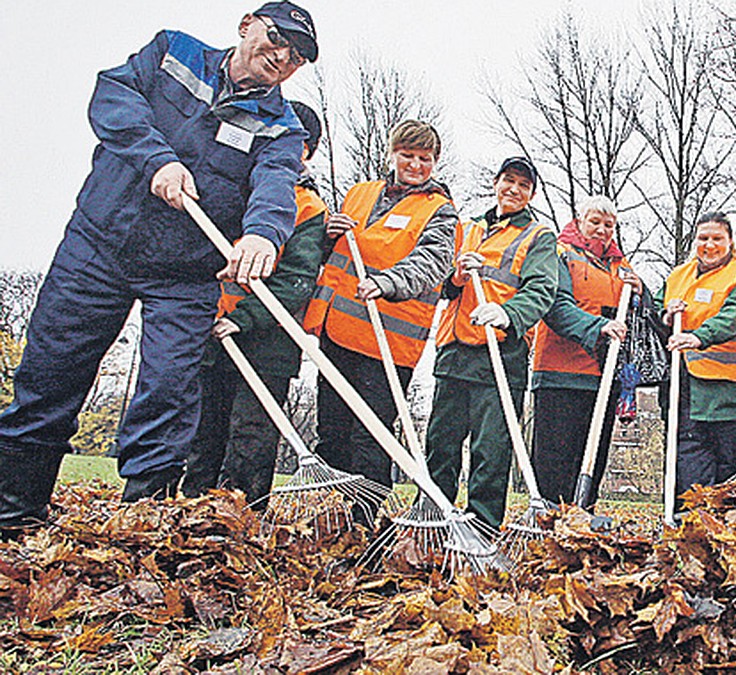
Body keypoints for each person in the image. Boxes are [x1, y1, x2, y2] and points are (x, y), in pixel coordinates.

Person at [0, 2, 318, 531]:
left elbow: (275, 184)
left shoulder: (281, 127)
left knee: (170, 389)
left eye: (297, 56)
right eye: (277, 38)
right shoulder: (173, 52)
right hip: (99, 246)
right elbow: (114, 97)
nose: (282, 56)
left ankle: (140, 524)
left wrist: (263, 233)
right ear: (246, 26)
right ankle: (14, 509)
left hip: (186, 275)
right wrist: (158, 159)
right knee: (52, 371)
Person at [181, 101, 328, 506]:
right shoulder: (235, 189)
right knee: (205, 432)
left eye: (296, 143)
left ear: (307, 151)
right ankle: (193, 511)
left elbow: (296, 283)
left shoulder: (309, 209)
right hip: (213, 331)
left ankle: (242, 519)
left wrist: (243, 319)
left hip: (267, 343)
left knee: (251, 436)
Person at [302, 120, 457, 489]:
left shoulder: (440, 210)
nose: (416, 165)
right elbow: (328, 254)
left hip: (388, 342)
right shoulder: (359, 194)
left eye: (425, 158)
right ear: (393, 154)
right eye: (408, 156)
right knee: (333, 430)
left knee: (370, 436)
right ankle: (331, 515)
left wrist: (387, 283)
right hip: (337, 333)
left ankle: (365, 519)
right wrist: (327, 235)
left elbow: (432, 262)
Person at [425, 157, 557, 528]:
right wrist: (458, 276)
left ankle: (481, 526)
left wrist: (508, 314)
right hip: (454, 348)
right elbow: (443, 288)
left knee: (491, 448)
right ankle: (433, 516)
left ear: (531, 193)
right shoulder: (468, 229)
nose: (514, 190)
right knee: (441, 443)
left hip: (503, 351)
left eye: (523, 185)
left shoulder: (538, 236)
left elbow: (542, 289)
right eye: (508, 180)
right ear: (496, 182)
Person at [530, 196, 644, 508]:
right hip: (560, 376)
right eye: (595, 222)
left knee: (592, 459)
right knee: (555, 462)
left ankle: (582, 521)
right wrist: (598, 326)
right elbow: (556, 307)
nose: (602, 230)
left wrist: (640, 294)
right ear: (580, 221)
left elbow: (639, 320)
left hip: (603, 379)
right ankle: (547, 522)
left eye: (609, 225)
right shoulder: (559, 253)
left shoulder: (622, 268)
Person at [657, 212, 736, 503]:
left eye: (717, 238)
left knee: (726, 466)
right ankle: (685, 525)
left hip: (727, 389)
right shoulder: (679, 275)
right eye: (703, 238)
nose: (710, 245)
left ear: (730, 241)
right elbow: (656, 307)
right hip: (684, 385)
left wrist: (699, 336)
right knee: (686, 462)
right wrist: (666, 315)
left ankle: (723, 530)